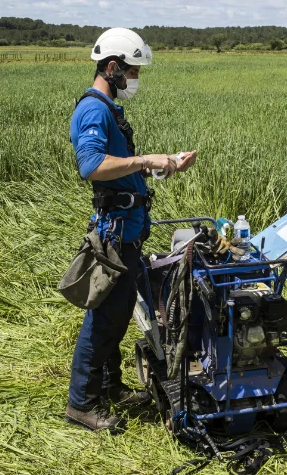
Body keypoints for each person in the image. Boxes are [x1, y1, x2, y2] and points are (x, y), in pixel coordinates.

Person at [65, 27, 198, 432]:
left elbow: (122, 168)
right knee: (104, 320)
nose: (136, 77)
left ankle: (109, 387)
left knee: (120, 315)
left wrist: (164, 165)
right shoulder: (94, 110)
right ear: (112, 67)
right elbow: (91, 167)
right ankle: (81, 405)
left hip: (128, 231)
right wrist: (145, 161)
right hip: (114, 233)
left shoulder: (111, 109)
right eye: (133, 70)